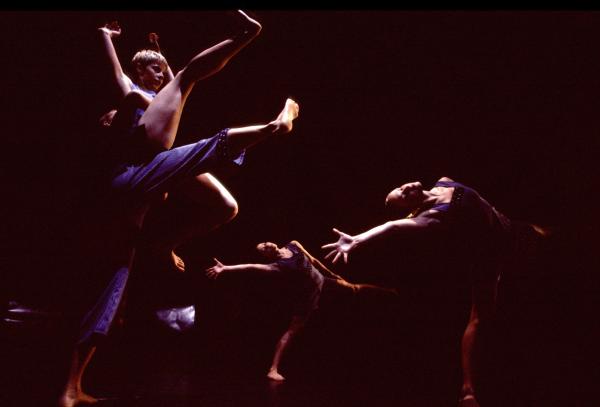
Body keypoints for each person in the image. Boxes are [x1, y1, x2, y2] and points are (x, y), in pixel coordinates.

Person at [58, 9, 301, 406]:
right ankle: (263, 92)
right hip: (135, 171)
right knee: (189, 87)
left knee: (224, 207)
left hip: (143, 186)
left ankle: (69, 390)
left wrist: (158, 56)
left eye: (159, 68)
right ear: (142, 73)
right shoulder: (133, 94)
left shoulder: (158, 101)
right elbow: (146, 76)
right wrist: (105, 35)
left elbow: (173, 79)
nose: (160, 73)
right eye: (153, 69)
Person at [322, 176, 548, 407]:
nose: (405, 188)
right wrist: (357, 240)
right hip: (489, 256)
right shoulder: (429, 218)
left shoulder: (444, 181)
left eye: (400, 186)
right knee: (479, 318)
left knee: (543, 239)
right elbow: (392, 226)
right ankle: (468, 389)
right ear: (411, 209)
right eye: (402, 195)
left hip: (514, 230)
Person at [205, 240, 398, 382]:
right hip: (307, 296)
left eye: (264, 243)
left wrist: (332, 275)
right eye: (263, 249)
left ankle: (389, 292)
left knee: (354, 289)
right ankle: (273, 368)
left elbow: (313, 260)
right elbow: (251, 267)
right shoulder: (276, 267)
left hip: (323, 282)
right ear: (267, 255)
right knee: (293, 330)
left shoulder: (293, 245)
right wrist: (226, 269)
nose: (266, 246)